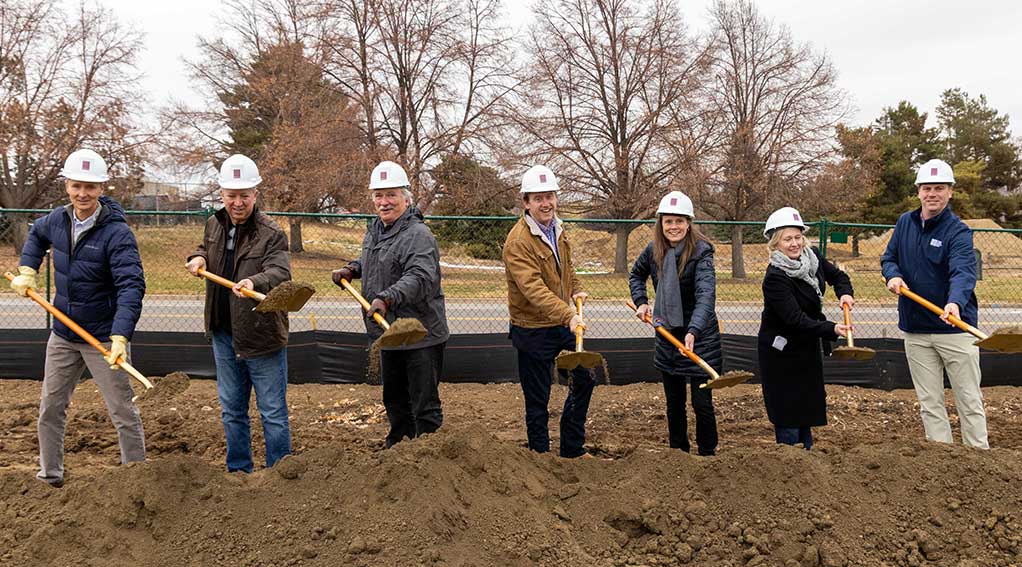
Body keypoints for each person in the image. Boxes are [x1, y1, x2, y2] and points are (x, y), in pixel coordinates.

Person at [10, 148, 146, 487]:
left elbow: (131, 286)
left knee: (123, 412)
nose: (82, 194)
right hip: (63, 335)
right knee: (50, 408)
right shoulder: (57, 219)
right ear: (67, 186)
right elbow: (37, 236)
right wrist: (28, 269)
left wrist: (120, 337)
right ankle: (50, 475)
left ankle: (136, 478)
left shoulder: (117, 234)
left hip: (101, 337)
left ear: (101, 188)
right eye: (76, 186)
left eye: (90, 187)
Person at [185, 154, 292, 472]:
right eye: (232, 195)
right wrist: (198, 257)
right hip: (223, 333)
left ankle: (279, 474)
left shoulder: (271, 233)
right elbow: (204, 247)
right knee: (232, 409)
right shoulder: (213, 224)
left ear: (255, 195)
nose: (238, 202)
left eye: (244, 195)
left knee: (272, 411)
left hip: (261, 336)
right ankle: (239, 472)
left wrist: (254, 281)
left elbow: (280, 272)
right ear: (222, 195)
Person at [331, 160, 449, 448]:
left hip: (420, 333)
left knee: (424, 404)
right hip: (388, 332)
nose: (384, 202)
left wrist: (387, 297)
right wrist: (353, 269)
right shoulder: (375, 230)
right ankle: (399, 453)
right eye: (378, 196)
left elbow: (420, 276)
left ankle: (430, 457)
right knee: (395, 399)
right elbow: (379, 262)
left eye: (391, 195)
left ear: (406, 199)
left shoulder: (418, 235)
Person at [881, 159, 988, 449]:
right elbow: (889, 258)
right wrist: (893, 276)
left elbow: (963, 272)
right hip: (916, 330)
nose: (932, 194)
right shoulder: (905, 223)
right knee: (930, 402)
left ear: (950, 192)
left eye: (939, 188)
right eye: (927, 188)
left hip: (954, 329)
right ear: (918, 191)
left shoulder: (958, 231)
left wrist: (954, 303)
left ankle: (980, 458)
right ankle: (942, 458)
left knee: (968, 399)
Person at [502, 164, 595, 458]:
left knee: (585, 378)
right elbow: (534, 289)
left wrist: (576, 287)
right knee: (538, 397)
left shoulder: (558, 227)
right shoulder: (518, 242)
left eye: (550, 196)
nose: (546, 203)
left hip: (558, 321)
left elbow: (566, 268)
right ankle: (540, 457)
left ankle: (572, 448)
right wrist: (568, 315)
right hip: (532, 328)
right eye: (538, 198)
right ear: (526, 202)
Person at [629, 191, 720, 456]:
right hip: (667, 334)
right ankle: (677, 453)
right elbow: (636, 275)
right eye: (668, 221)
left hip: (700, 336)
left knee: (702, 402)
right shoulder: (653, 250)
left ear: (689, 223)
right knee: (674, 402)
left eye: (679, 221)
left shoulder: (702, 252)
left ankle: (707, 453)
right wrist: (641, 301)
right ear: (661, 223)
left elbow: (706, 295)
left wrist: (694, 330)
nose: (674, 227)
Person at [758, 206, 853, 450]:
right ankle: (790, 461)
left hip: (806, 347)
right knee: (788, 410)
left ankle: (807, 459)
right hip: (782, 352)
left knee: (805, 408)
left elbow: (839, 277)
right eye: (787, 239)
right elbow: (795, 319)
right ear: (775, 243)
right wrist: (831, 329)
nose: (794, 244)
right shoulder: (775, 277)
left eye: (797, 237)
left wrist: (845, 294)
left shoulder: (812, 258)